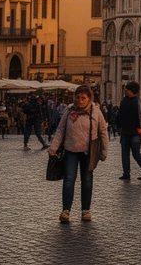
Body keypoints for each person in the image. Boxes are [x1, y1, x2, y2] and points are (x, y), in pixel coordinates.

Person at [49, 85, 109, 223]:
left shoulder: (95, 112)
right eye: (77, 97)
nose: (80, 100)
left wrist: (104, 151)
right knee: (69, 180)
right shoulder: (69, 111)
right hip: (71, 150)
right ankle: (66, 210)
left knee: (87, 180)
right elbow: (60, 130)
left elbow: (103, 131)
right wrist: (53, 147)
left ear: (89, 99)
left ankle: (85, 210)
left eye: (83, 98)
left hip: (89, 151)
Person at [116, 81, 141, 181]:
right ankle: (126, 173)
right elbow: (120, 114)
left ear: (133, 91)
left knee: (135, 152)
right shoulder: (124, 100)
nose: (126, 91)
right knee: (124, 153)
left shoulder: (137, 101)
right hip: (125, 131)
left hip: (135, 131)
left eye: (128, 90)